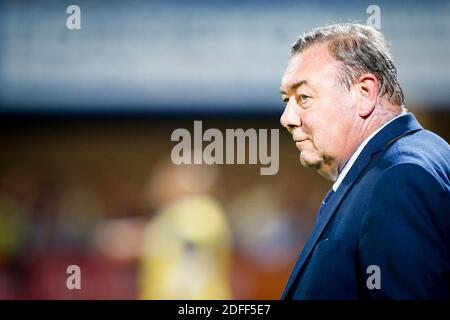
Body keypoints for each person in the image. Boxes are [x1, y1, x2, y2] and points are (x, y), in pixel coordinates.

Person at [279, 23, 450, 299]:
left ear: (364, 93)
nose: (287, 118)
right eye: (287, 100)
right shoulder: (410, 158)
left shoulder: (398, 178)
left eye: (304, 97)